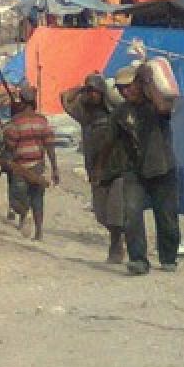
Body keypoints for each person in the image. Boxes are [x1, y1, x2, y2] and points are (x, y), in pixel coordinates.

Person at [105, 59, 181, 276]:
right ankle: (138, 259)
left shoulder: (156, 107)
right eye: (121, 89)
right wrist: (103, 170)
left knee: (166, 216)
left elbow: (165, 105)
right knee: (131, 213)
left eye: (130, 86)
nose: (126, 92)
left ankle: (168, 257)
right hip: (135, 171)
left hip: (163, 169)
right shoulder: (121, 113)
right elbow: (111, 143)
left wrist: (149, 80)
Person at [60, 72, 123, 263]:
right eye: (90, 91)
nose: (92, 95)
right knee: (101, 214)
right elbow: (64, 98)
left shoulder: (114, 112)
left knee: (115, 211)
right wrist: (82, 87)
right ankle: (119, 238)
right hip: (94, 169)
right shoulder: (85, 114)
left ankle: (117, 244)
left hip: (116, 168)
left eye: (95, 91)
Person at [0, 85, 59, 241]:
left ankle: (24, 216)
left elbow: (10, 145)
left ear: (22, 101)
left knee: (17, 199)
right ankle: (39, 231)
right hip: (38, 166)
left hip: (21, 167)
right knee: (38, 198)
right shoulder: (42, 120)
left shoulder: (16, 121)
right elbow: (50, 144)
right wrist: (54, 168)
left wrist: (6, 161)